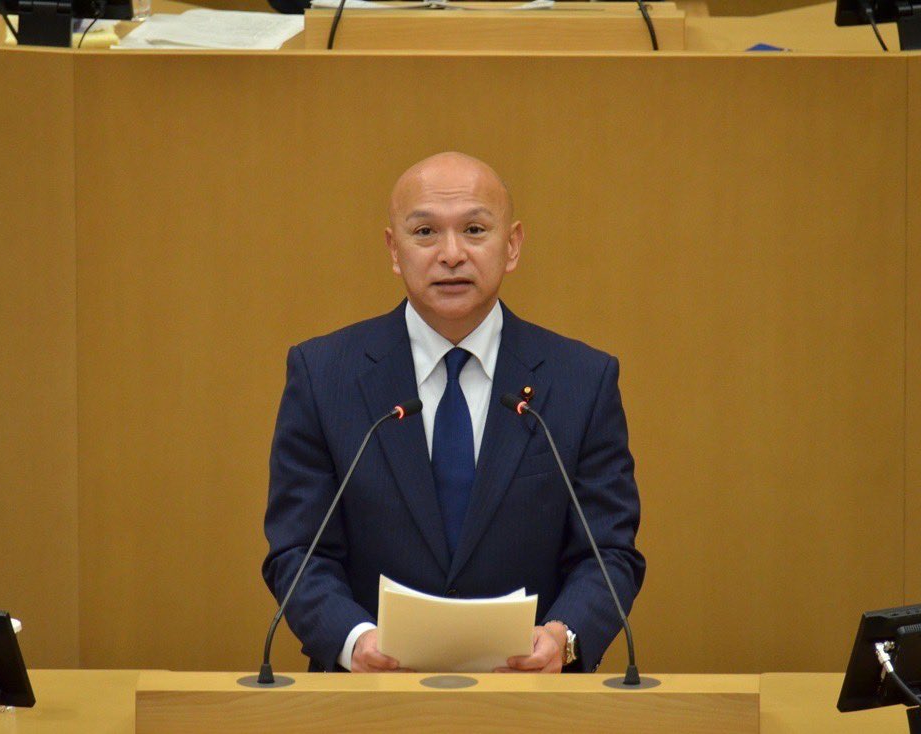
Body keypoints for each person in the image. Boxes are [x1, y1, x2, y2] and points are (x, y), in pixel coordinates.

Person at [262, 152, 645, 674]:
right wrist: (355, 642)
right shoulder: (324, 375)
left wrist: (565, 636)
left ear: (512, 245)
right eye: (424, 232)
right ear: (393, 250)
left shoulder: (582, 380)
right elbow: (298, 550)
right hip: (367, 698)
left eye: (474, 230)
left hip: (531, 696)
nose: (451, 254)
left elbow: (609, 552)